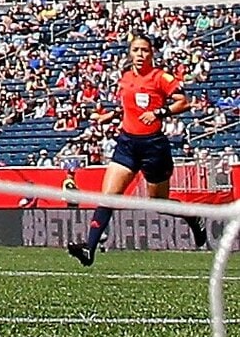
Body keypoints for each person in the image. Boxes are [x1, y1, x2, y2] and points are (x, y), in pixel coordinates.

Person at [67, 33, 207, 266]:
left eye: (145, 50)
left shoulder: (160, 77)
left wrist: (159, 113)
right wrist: (109, 116)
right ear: (130, 53)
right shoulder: (125, 78)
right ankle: (89, 248)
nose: (140, 55)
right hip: (127, 144)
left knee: (157, 203)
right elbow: (129, 107)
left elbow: (183, 102)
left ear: (152, 53)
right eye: (136, 50)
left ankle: (191, 216)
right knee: (108, 196)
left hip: (153, 147)